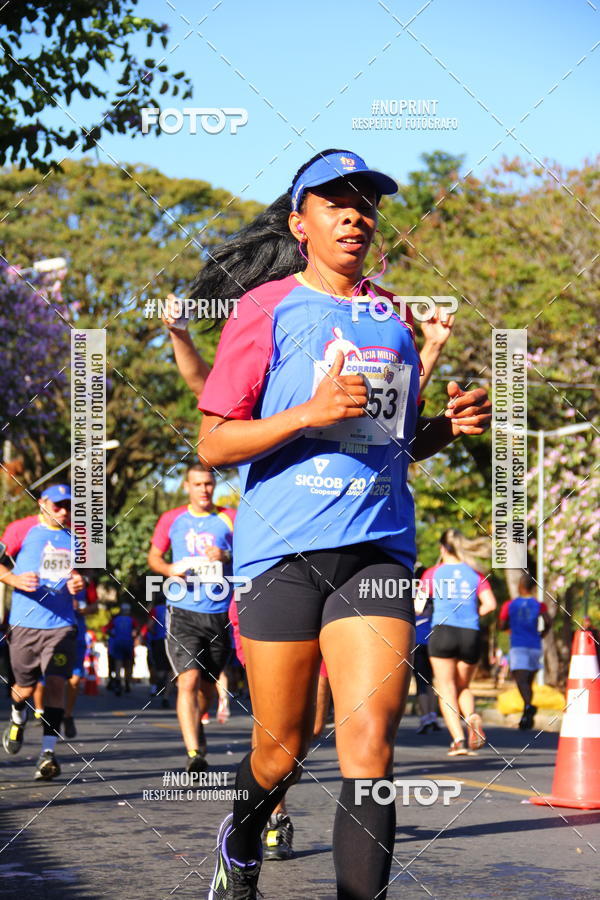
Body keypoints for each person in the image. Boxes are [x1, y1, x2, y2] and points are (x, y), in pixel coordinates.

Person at [194, 148, 491, 900]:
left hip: (378, 551)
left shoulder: (390, 317)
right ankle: (242, 838)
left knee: (369, 742)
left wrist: (443, 430)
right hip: (283, 550)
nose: (356, 213)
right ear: (302, 223)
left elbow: (392, 440)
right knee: (281, 750)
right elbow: (215, 442)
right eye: (336, 202)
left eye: (366, 202)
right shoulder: (264, 308)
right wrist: (308, 413)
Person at [148, 464, 235, 773]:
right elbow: (154, 557)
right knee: (189, 679)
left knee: (208, 688)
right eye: (197, 484)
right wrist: (169, 570)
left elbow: (251, 552)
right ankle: (194, 753)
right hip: (182, 611)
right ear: (187, 487)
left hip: (218, 613)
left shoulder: (230, 518)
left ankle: (198, 726)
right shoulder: (171, 519)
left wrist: (225, 556)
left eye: (209, 484)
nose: (204, 489)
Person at [0, 484, 85, 779]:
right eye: (58, 505)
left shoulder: (77, 536)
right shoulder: (20, 529)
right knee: (23, 688)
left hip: (61, 624)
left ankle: (48, 753)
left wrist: (78, 582)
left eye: (69, 506)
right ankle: (17, 714)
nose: (64, 511)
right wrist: (13, 579)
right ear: (42, 503)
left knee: (57, 684)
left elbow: (78, 575)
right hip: (25, 623)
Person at [423, 529, 497, 756]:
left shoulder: (432, 573)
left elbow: (418, 606)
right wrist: (472, 613)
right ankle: (472, 716)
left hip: (443, 632)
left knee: (446, 689)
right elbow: (490, 604)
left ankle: (458, 740)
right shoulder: (475, 574)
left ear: (442, 548)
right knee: (463, 686)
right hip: (470, 633)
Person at [499, 572, 550, 729]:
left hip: (519, 645)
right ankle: (526, 718)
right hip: (535, 645)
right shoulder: (539, 605)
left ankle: (528, 706)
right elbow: (548, 621)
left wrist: (510, 629)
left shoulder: (510, 605)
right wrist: (542, 634)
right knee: (528, 682)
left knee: (520, 680)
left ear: (520, 586)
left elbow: (501, 625)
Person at [63, 580, 98, 737]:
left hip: (77, 635)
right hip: (53, 634)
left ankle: (67, 715)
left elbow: (95, 607)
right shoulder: (51, 576)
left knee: (75, 679)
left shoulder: (86, 583)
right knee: (51, 679)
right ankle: (42, 711)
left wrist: (82, 608)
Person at [413, 567, 440, 734]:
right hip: (434, 639)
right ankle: (432, 716)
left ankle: (425, 719)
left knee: (421, 682)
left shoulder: (414, 592)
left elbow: (415, 611)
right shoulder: (435, 593)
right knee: (430, 681)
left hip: (417, 640)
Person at [105, 602, 137, 695]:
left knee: (118, 663)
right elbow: (136, 631)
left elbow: (107, 630)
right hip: (128, 643)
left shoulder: (115, 620)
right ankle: (127, 683)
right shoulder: (132, 620)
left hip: (117, 642)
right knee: (128, 663)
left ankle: (118, 683)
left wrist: (113, 635)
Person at [145, 596, 171, 708]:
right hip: (173, 640)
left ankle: (160, 683)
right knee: (171, 670)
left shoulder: (155, 609)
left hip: (159, 640)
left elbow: (150, 626)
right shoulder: (173, 608)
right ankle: (166, 696)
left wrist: (154, 633)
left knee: (159, 668)